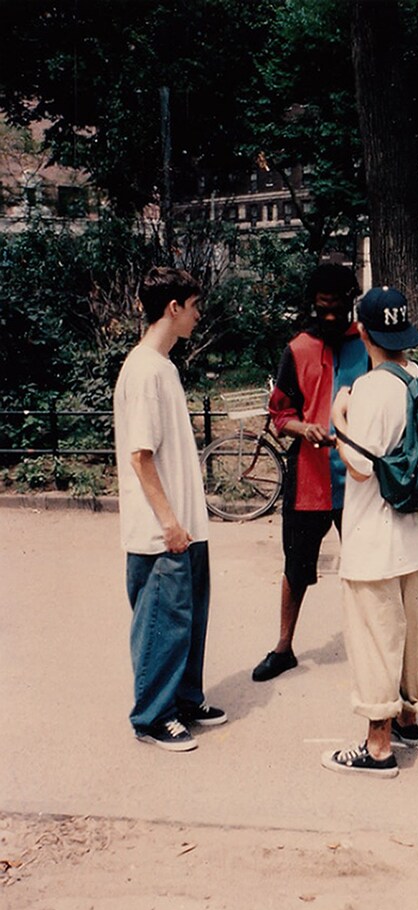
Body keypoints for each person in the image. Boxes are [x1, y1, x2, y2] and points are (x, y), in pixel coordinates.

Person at [322, 285, 418, 777]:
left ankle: (377, 748)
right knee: (415, 630)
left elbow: (357, 464)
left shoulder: (372, 388)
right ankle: (411, 718)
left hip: (375, 536)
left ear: (364, 331)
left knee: (376, 636)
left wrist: (338, 415)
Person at [113, 266, 227, 751]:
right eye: (195, 306)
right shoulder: (143, 370)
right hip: (163, 529)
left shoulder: (164, 367)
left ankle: (182, 699)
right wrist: (168, 522)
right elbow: (140, 455)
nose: (199, 315)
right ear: (173, 308)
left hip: (184, 523)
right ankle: (153, 716)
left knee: (188, 616)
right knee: (163, 619)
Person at [252, 264, 369, 682]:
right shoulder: (297, 348)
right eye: (323, 309)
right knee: (296, 566)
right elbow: (280, 413)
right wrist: (305, 427)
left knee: (367, 568)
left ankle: (369, 651)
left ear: (350, 302)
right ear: (313, 306)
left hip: (359, 480)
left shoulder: (368, 344)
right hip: (310, 482)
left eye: (338, 308)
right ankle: (283, 648)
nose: (331, 316)